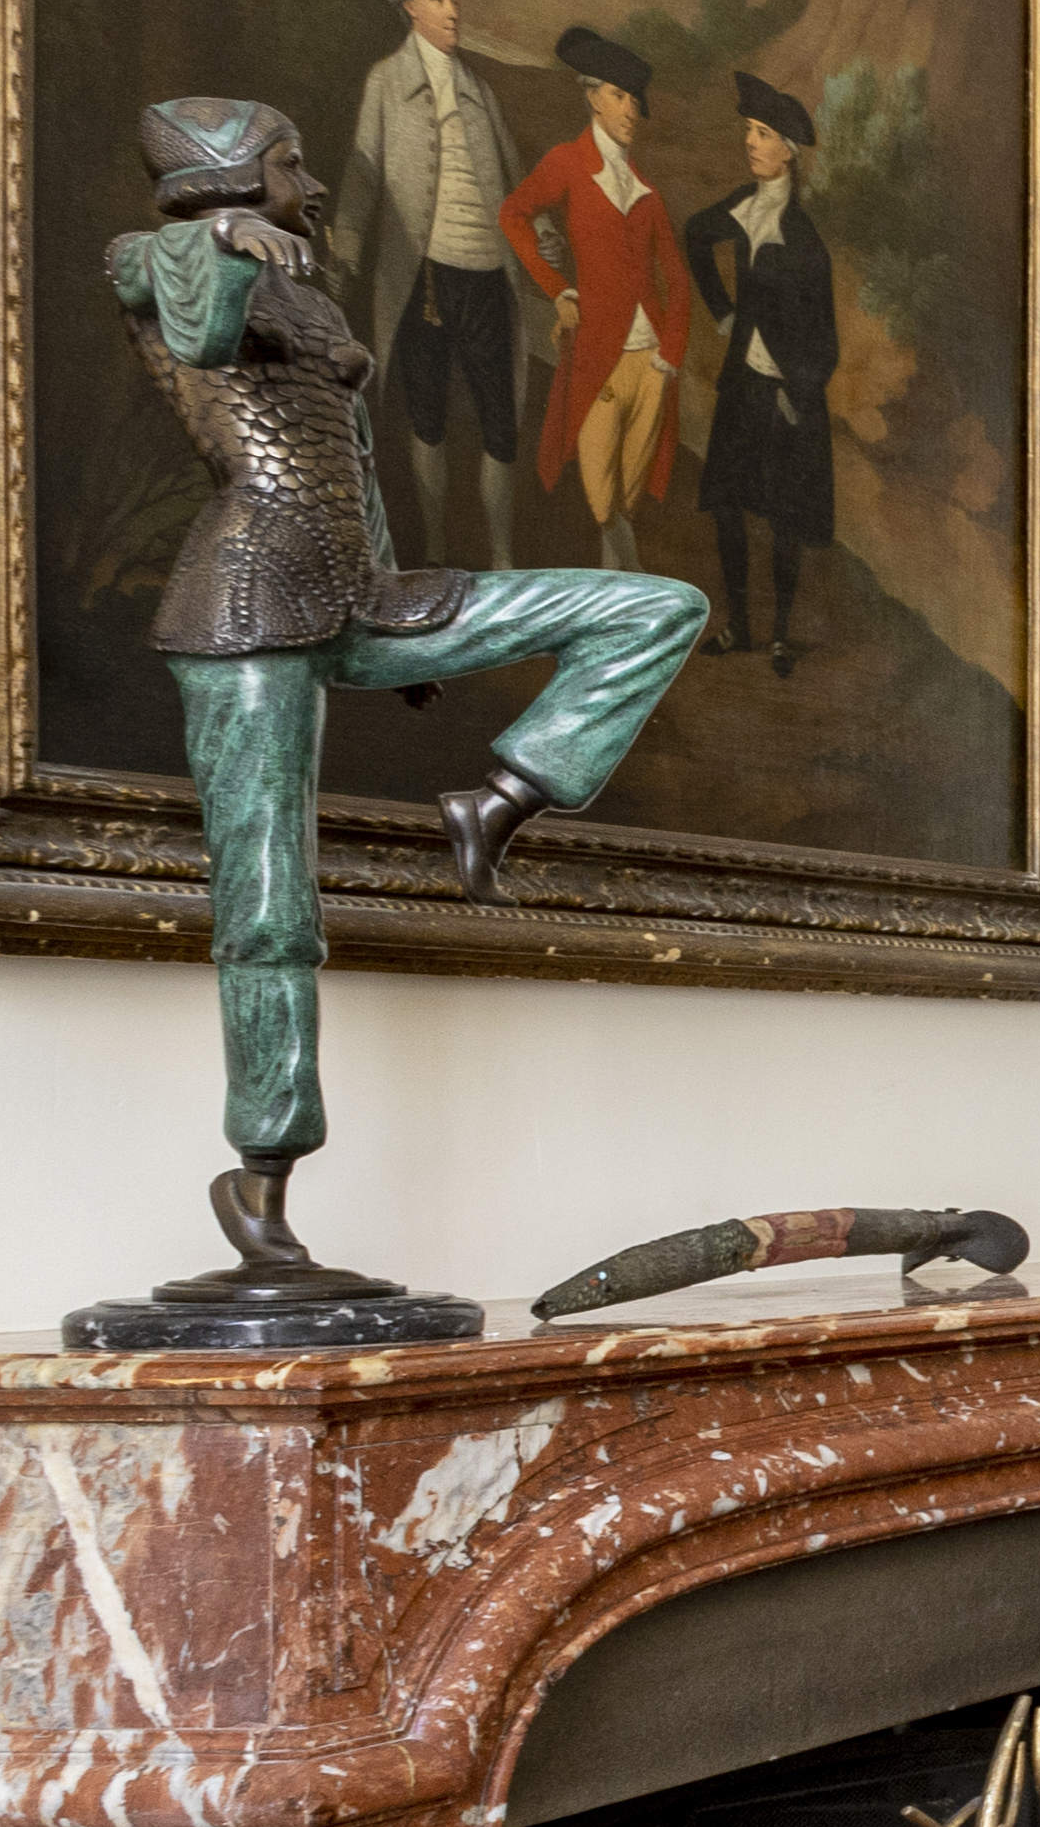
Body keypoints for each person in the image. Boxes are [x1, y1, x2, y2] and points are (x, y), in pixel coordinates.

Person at [104, 97, 705, 1292]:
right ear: (230, 181)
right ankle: (263, 1174)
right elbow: (196, 318)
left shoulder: (310, 292)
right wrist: (225, 239)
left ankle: (503, 797)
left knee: (653, 607)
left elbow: (346, 466)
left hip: (357, 595)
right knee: (270, 907)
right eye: (290, 164)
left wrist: (402, 629)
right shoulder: (163, 256)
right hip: (246, 610)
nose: (311, 183)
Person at [327, 0, 533, 569]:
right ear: (409, 5)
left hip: (487, 275)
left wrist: (546, 260)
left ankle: (501, 561)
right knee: (428, 418)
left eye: (454, 0)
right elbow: (362, 177)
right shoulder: (386, 82)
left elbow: (516, 183)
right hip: (423, 278)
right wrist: (346, 255)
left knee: (501, 422)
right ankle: (438, 551)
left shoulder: (478, 89)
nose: (453, 12)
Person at [502, 25, 695, 574]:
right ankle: (630, 597)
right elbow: (512, 215)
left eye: (635, 100)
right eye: (618, 95)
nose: (630, 110)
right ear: (591, 96)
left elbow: (677, 281)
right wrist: (557, 289)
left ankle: (624, 605)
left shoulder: (649, 192)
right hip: (596, 359)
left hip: (651, 363)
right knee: (602, 499)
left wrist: (669, 358)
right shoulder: (566, 163)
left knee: (628, 500)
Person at [682, 70, 842, 671]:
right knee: (727, 504)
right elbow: (695, 237)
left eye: (764, 133)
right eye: (748, 130)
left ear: (788, 153)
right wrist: (723, 311)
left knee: (783, 520)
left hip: (787, 398)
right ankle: (739, 625)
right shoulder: (743, 207)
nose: (750, 142)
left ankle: (778, 632)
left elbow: (824, 343)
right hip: (742, 387)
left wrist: (796, 393)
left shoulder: (804, 242)